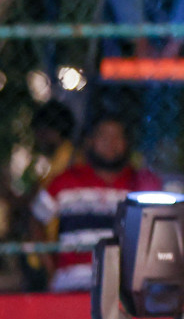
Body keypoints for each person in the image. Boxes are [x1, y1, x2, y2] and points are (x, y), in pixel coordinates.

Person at [31, 117, 160, 292]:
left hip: (126, 285)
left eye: (117, 137)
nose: (110, 144)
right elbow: (35, 220)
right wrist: (50, 267)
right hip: (72, 282)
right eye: (104, 137)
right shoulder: (65, 181)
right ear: (90, 141)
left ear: (127, 143)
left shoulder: (140, 184)